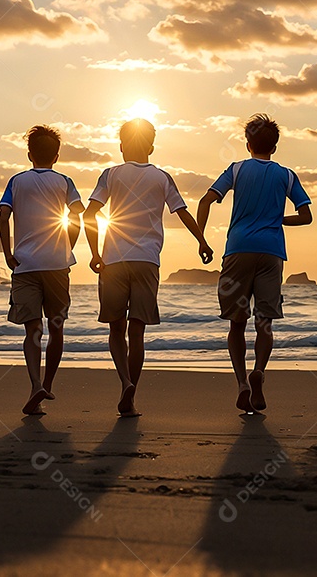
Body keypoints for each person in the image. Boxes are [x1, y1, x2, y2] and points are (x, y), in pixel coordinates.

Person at [83, 118, 213, 417]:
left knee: (116, 329)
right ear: (152, 147)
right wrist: (202, 242)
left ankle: (125, 381)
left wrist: (94, 253)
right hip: (147, 260)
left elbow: (89, 215)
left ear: (121, 146)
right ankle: (130, 397)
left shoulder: (111, 174)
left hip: (114, 259)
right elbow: (182, 212)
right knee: (137, 331)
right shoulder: (162, 177)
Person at [196, 114, 312, 414]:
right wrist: (276, 220)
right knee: (264, 322)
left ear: (248, 144)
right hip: (271, 252)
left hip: (238, 250)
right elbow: (306, 216)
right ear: (274, 147)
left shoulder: (235, 170)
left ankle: (242, 384)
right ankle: (259, 369)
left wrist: (202, 240)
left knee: (237, 323)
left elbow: (206, 201)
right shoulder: (286, 175)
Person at [0, 125, 85, 415]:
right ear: (56, 156)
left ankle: (35, 383)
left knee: (32, 328)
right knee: (57, 327)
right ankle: (47, 383)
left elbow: (3, 216)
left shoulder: (16, 181)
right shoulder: (64, 181)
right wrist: (68, 246)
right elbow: (76, 217)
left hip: (24, 265)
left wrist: (8, 253)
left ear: (29, 154)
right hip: (57, 265)